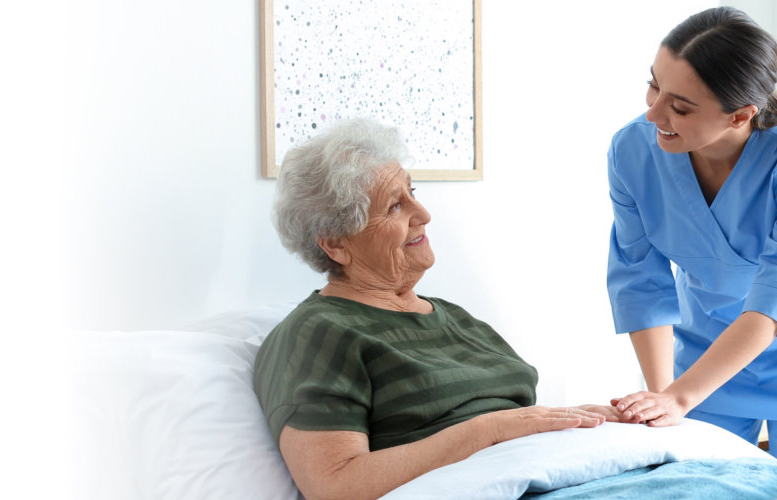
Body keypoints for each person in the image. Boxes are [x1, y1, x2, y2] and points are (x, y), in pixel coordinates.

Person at [253, 117, 633, 500]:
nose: (423, 214)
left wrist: (580, 420)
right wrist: (490, 431)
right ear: (335, 244)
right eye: (395, 206)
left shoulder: (457, 319)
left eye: (412, 191)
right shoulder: (318, 333)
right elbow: (337, 484)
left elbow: (518, 420)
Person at [605, 6, 777, 468]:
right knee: (697, 485)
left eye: (679, 106)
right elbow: (640, 280)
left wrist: (681, 398)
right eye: (654, 85)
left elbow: (775, 300)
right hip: (706, 349)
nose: (653, 113)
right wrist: (664, 395)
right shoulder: (632, 150)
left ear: (740, 115)